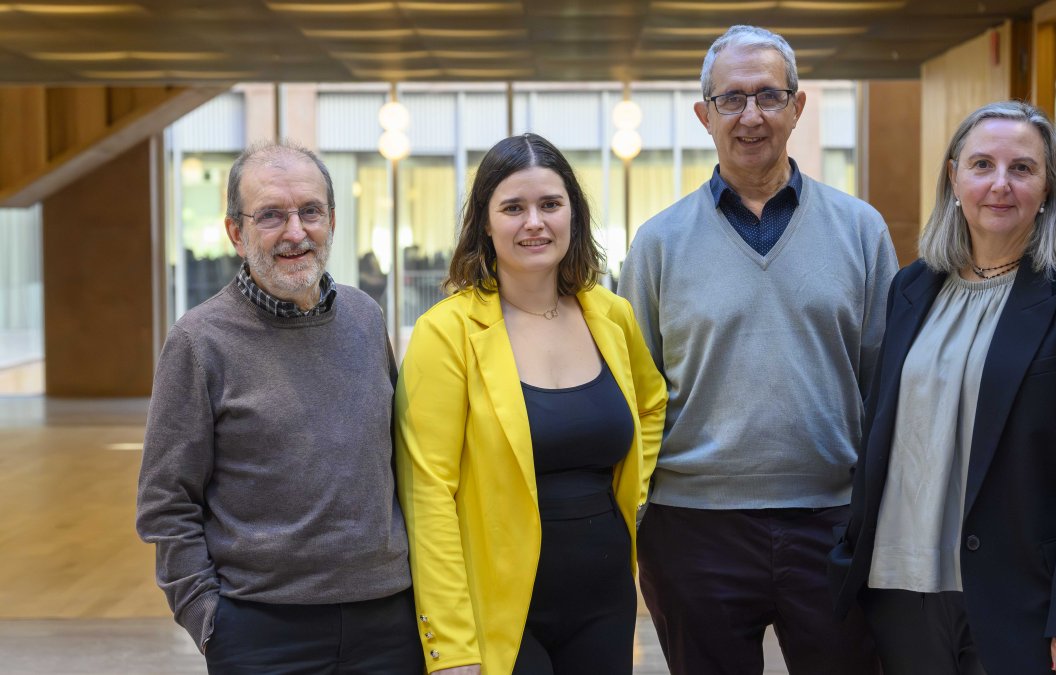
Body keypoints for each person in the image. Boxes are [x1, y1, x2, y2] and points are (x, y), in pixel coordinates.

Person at [828, 100, 1056, 675]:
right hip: (900, 590)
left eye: (1022, 168)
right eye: (982, 165)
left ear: (1049, 185)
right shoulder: (912, 287)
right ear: (953, 177)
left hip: (1026, 599)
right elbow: (880, 430)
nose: (1000, 185)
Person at [618, 24, 895, 675]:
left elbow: (885, 383)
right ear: (703, 115)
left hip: (831, 523)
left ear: (798, 108)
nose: (751, 117)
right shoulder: (657, 244)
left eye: (769, 97)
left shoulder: (861, 230)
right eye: (731, 99)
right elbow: (636, 390)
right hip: (692, 529)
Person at [136, 140, 423, 673]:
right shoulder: (200, 341)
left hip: (389, 621)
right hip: (261, 632)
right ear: (236, 233)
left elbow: (396, 463)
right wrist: (209, 621)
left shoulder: (364, 317)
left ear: (332, 219)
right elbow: (166, 502)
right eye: (271, 215)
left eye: (310, 211)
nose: (296, 232)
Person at [396, 133, 667, 675]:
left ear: (574, 213)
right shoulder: (446, 333)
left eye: (550, 204)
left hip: (607, 603)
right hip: (499, 612)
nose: (534, 223)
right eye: (513, 208)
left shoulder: (609, 316)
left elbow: (652, 404)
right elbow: (428, 495)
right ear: (485, 223)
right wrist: (450, 647)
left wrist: (631, 493)